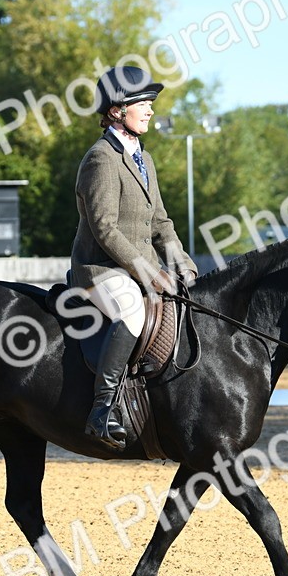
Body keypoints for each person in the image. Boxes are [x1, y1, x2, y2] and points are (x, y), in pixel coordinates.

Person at [71, 66, 199, 450]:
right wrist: (149, 273)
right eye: (141, 103)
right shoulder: (101, 159)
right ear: (115, 110)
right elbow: (105, 228)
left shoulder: (144, 157)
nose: (149, 111)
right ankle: (102, 409)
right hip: (102, 270)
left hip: (140, 268)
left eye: (150, 104)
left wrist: (183, 265)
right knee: (132, 310)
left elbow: (161, 221)